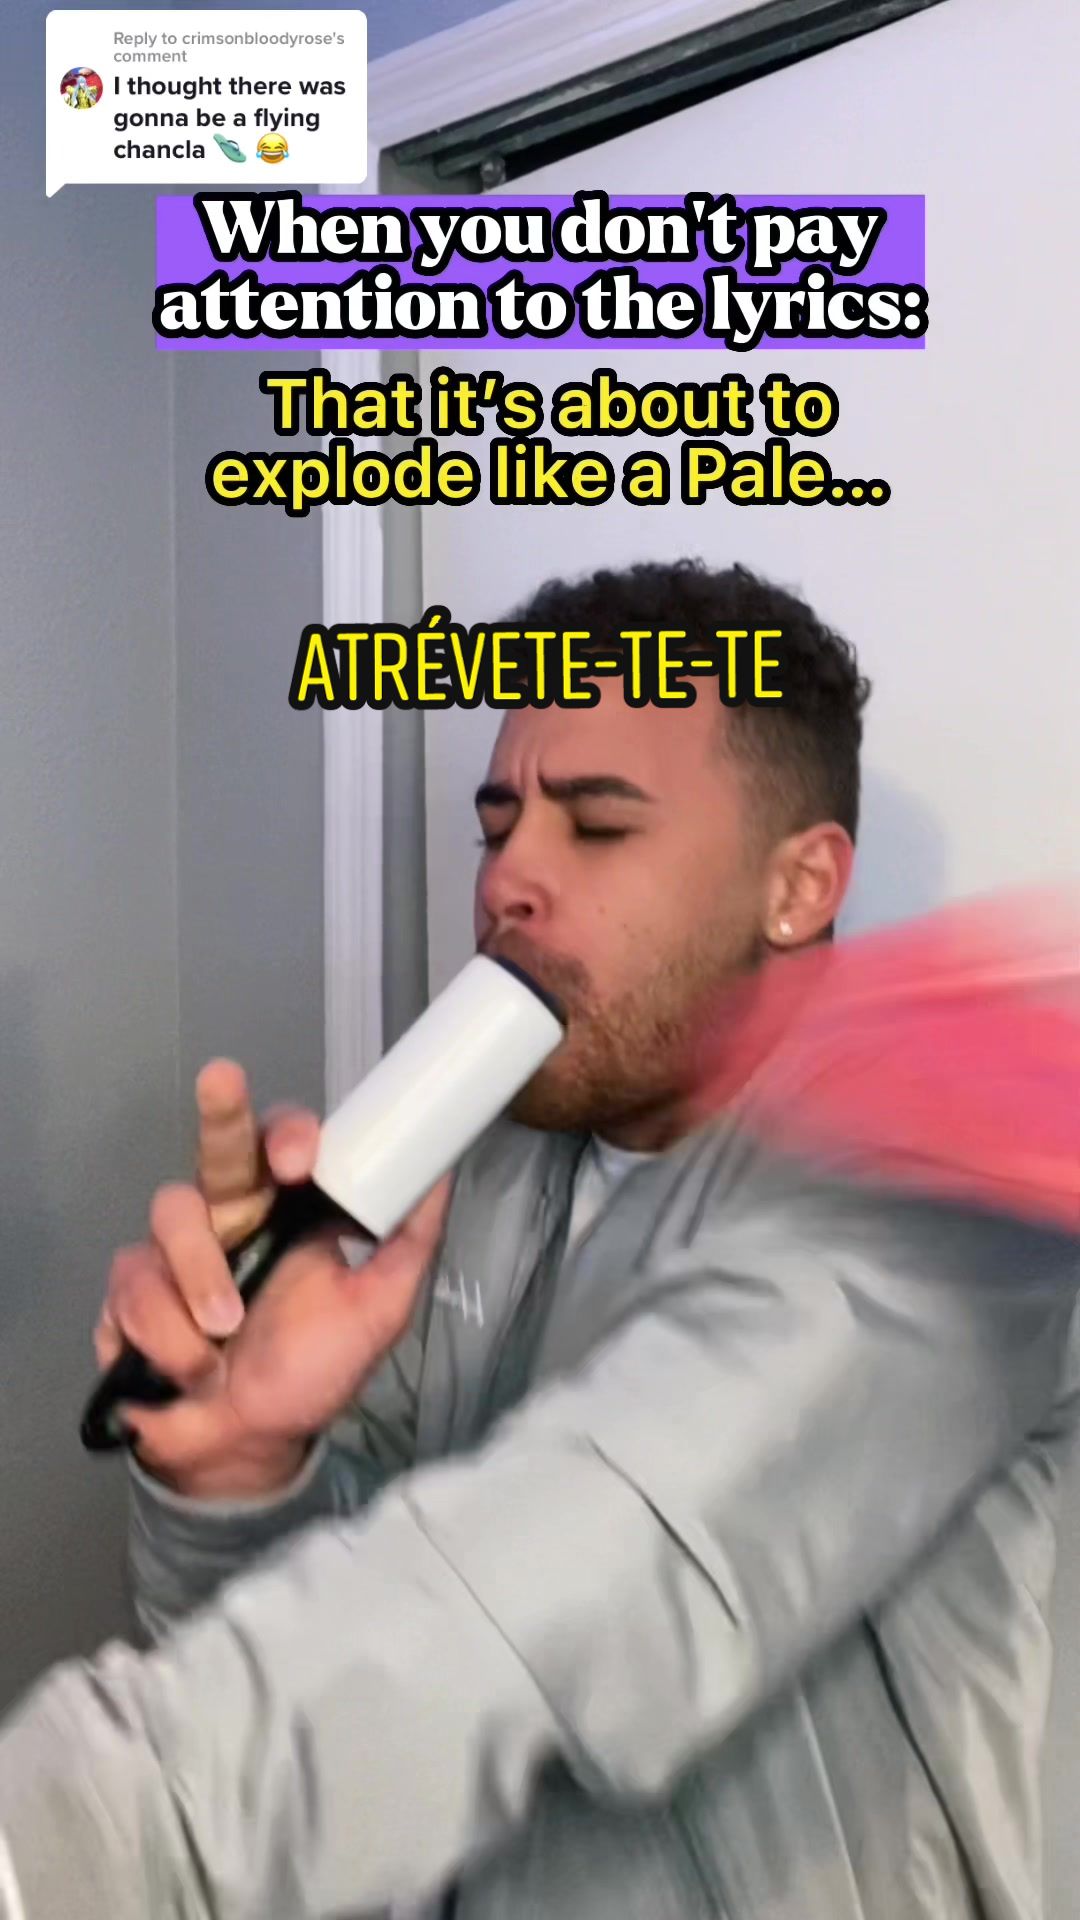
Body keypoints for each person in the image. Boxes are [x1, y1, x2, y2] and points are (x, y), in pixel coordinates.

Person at [1, 559, 1078, 1920]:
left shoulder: (942, 1185)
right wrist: (239, 1476)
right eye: (498, 824)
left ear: (800, 886)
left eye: (598, 826)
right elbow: (350, 1668)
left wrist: (74, 1843)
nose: (509, 877)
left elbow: (589, 1568)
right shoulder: (474, 1187)